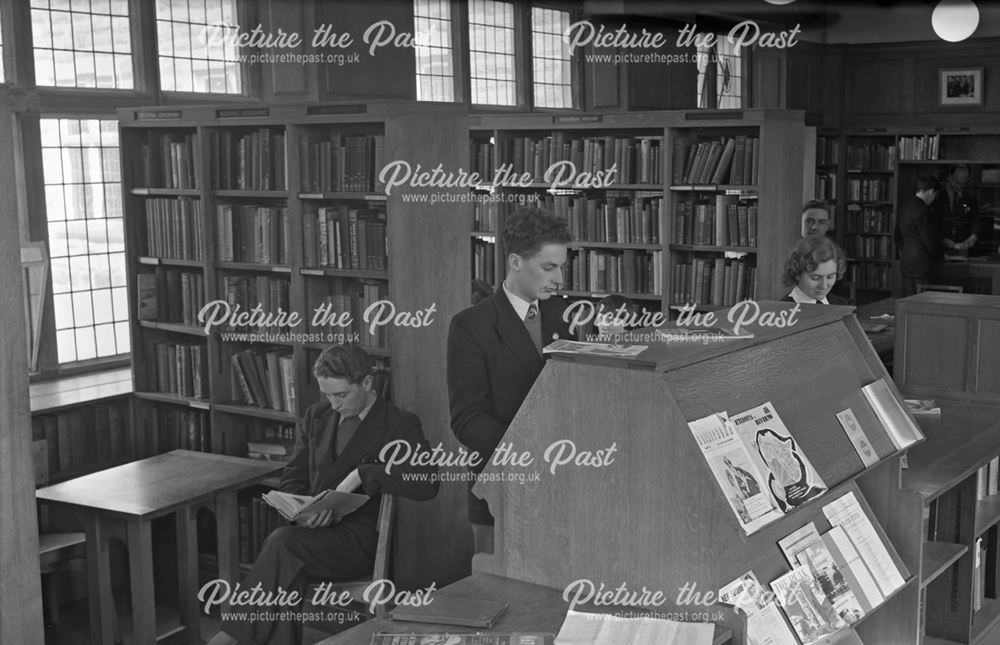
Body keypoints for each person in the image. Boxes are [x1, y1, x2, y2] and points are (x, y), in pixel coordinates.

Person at [208, 344, 439, 645]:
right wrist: (300, 510)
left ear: (367, 383)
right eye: (327, 395)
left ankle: (228, 637)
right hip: (309, 534)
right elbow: (294, 475)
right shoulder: (316, 416)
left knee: (282, 545)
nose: (334, 404)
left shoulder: (398, 424)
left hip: (355, 541)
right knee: (287, 564)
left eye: (341, 395)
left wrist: (365, 474)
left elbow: (427, 482)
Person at [447, 206, 573, 553]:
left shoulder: (567, 315)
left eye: (562, 266)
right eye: (549, 267)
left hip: (565, 489)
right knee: (502, 598)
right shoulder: (471, 326)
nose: (559, 279)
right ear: (516, 262)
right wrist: (533, 452)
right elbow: (467, 419)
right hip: (501, 488)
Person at [896, 176, 943, 296]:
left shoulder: (904, 208)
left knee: (908, 301)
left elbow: (897, 237)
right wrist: (942, 255)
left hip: (906, 262)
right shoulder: (923, 210)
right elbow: (930, 242)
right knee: (922, 302)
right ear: (932, 192)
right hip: (923, 264)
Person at [780, 235, 849, 305]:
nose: (824, 286)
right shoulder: (780, 311)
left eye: (830, 277)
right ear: (797, 274)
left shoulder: (842, 304)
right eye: (815, 278)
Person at [936, 164, 979, 255]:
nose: (959, 187)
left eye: (963, 183)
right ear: (949, 177)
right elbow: (930, 223)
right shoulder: (937, 196)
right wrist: (943, 239)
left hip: (963, 249)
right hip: (940, 249)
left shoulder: (970, 197)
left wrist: (973, 237)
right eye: (957, 182)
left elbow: (975, 220)